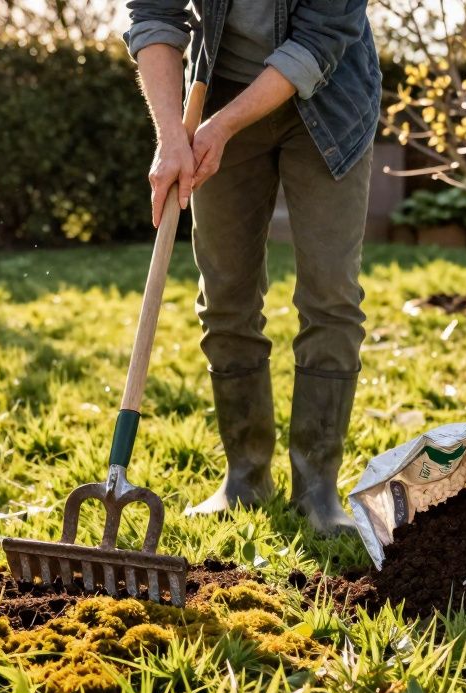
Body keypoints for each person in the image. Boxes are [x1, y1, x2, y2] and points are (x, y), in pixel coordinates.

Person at [124, 1, 380, 535]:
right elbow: (154, 16)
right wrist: (170, 136)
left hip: (329, 101)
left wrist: (220, 129)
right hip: (218, 93)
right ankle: (245, 477)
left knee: (330, 296)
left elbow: (321, 37)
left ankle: (317, 489)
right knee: (225, 297)